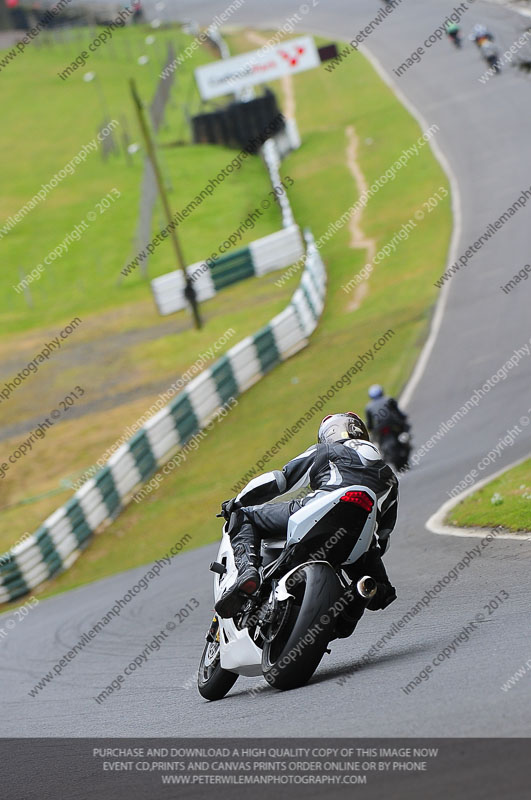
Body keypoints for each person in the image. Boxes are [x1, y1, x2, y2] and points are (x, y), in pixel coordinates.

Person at [215, 412, 398, 620]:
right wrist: (369, 553)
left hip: (322, 508)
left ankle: (248, 572)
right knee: (381, 592)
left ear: (328, 434)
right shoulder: (389, 475)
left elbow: (280, 480)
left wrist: (238, 501)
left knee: (244, 516)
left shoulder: (326, 450)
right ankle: (358, 593)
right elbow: (384, 535)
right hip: (360, 536)